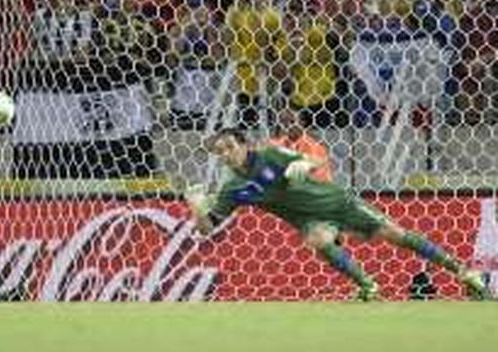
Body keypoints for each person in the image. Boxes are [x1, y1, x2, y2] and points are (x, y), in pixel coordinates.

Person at [186, 127, 488, 300]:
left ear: (244, 144)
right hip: (310, 220)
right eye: (220, 152)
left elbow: (316, 159)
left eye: (229, 147)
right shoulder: (232, 189)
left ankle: (464, 271)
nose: (225, 155)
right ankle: (369, 286)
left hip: (336, 202)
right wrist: (197, 206)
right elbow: (207, 227)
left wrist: (306, 165)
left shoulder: (271, 154)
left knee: (395, 234)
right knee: (317, 239)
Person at [268, 108, 333, 183]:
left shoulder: (315, 147)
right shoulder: (275, 145)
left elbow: (319, 178)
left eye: (292, 122)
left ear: (302, 123)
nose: (288, 126)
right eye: (284, 123)